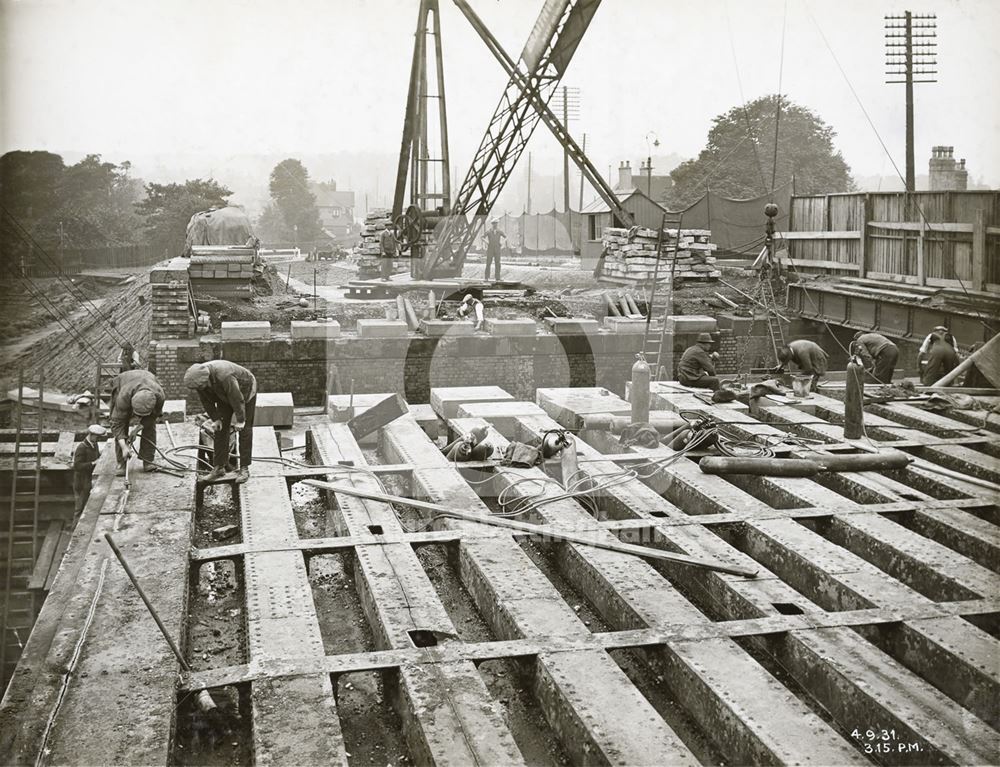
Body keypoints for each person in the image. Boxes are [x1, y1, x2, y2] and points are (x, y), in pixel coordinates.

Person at [184, 361, 258, 484]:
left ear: (207, 378)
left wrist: (240, 420)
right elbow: (206, 401)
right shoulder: (199, 381)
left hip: (245, 390)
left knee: (245, 429)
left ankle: (244, 468)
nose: (201, 389)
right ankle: (219, 467)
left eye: (202, 386)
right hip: (223, 394)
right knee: (220, 428)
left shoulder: (225, 376)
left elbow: (236, 398)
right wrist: (216, 418)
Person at [109, 369, 165, 476]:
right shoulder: (123, 397)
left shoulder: (159, 396)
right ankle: (121, 462)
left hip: (148, 379)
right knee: (122, 422)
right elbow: (117, 423)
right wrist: (124, 446)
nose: (139, 417)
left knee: (150, 426)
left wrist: (137, 429)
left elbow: (153, 417)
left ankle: (148, 460)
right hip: (125, 381)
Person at [73, 424, 107, 516]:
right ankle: (75, 529)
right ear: (91, 435)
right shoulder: (82, 447)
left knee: (87, 508)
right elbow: (77, 466)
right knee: (79, 510)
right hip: (81, 482)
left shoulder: (94, 444)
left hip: (88, 480)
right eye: (97, 437)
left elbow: (96, 456)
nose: (98, 439)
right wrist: (93, 463)